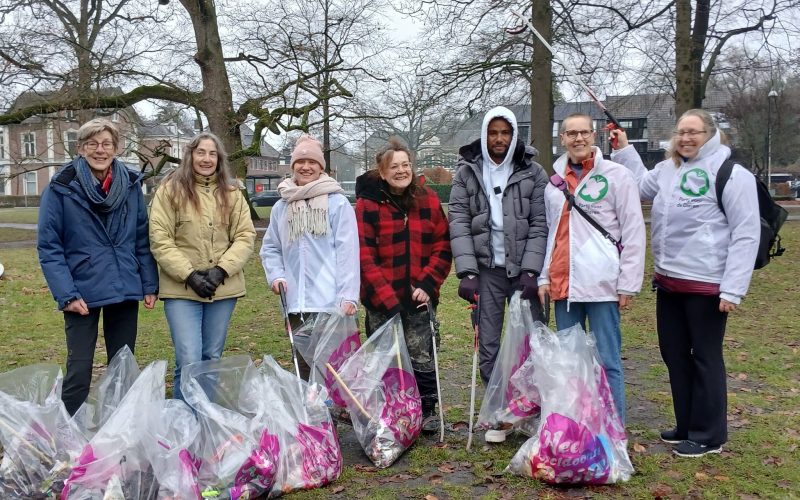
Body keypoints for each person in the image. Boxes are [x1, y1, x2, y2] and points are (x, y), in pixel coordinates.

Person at [610, 109, 760, 457]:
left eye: (694, 132)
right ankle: (686, 423)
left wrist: (733, 288)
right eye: (681, 132)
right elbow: (636, 185)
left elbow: (746, 233)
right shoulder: (668, 169)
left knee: (705, 357)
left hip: (707, 285)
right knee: (674, 355)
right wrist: (624, 149)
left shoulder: (731, 174)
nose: (686, 138)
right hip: (669, 281)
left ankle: (709, 435)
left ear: (711, 134)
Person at [37, 118, 159, 416]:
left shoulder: (130, 184)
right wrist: (66, 295)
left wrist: (149, 283)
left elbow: (141, 237)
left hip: (124, 285)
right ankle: (66, 436)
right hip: (81, 291)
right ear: (80, 148)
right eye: (92, 144)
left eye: (106, 144)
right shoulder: (61, 187)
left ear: (116, 148)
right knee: (79, 370)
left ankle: (121, 432)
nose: (100, 150)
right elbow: (50, 247)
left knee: (123, 366)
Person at [537, 113, 646, 424]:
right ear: (562, 139)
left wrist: (628, 282)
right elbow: (551, 234)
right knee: (570, 363)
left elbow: (633, 230)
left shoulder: (617, 176)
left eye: (584, 132)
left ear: (594, 135)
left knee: (607, 360)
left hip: (602, 284)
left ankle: (614, 429)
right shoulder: (553, 184)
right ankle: (579, 426)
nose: (578, 139)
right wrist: (545, 275)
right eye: (571, 133)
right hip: (564, 286)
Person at [448, 106, 548, 443]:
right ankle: (499, 413)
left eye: (505, 133)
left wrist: (533, 269)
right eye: (493, 132)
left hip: (523, 272)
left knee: (530, 342)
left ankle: (531, 409)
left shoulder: (533, 172)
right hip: (487, 271)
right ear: (484, 134)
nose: (499, 139)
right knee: (488, 344)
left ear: (514, 135)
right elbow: (459, 221)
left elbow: (540, 223)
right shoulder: (467, 173)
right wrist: (467, 271)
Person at [149, 132, 255, 401]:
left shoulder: (232, 193)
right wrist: (189, 275)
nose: (206, 159)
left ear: (219, 159)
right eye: (201, 152)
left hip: (222, 287)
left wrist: (221, 270)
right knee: (188, 357)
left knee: (211, 356)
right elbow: (160, 238)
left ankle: (205, 418)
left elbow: (245, 236)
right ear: (190, 155)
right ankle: (184, 420)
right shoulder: (170, 190)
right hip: (182, 289)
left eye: (212, 153)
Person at [355, 139, 452, 434]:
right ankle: (393, 408)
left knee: (422, 354)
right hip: (380, 298)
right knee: (385, 358)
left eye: (405, 165)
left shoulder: (428, 199)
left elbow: (442, 245)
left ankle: (427, 408)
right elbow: (363, 255)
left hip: (418, 296)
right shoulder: (367, 204)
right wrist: (387, 298)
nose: (401, 171)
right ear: (382, 172)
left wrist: (427, 282)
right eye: (394, 166)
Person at [260, 134, 359, 381]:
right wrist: (276, 276)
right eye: (300, 162)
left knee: (334, 365)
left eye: (312, 162)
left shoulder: (337, 203)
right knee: (303, 364)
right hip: (296, 302)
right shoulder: (281, 206)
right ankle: (312, 415)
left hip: (330, 301)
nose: (306, 167)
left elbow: (348, 251)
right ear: (292, 166)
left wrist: (348, 295)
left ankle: (333, 414)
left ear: (321, 167)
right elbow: (271, 247)